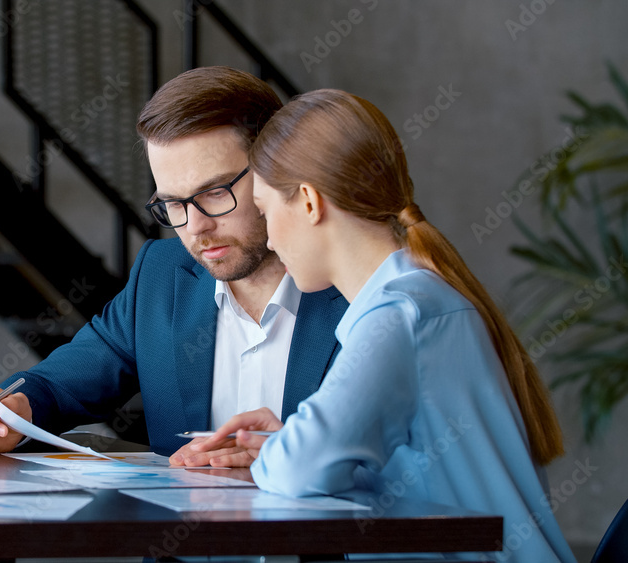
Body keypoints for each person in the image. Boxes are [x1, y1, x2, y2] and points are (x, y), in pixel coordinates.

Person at [193, 89, 575, 562]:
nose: (269, 238)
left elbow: (299, 470)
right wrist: (285, 441)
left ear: (309, 202)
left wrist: (287, 451)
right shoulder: (418, 296)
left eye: (268, 211)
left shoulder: (399, 315)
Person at [0, 66, 348, 461]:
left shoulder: (359, 282)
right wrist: (10, 410)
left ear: (276, 169)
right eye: (173, 204)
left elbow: (402, 459)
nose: (196, 227)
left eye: (214, 192)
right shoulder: (162, 273)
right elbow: (62, 385)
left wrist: (288, 463)